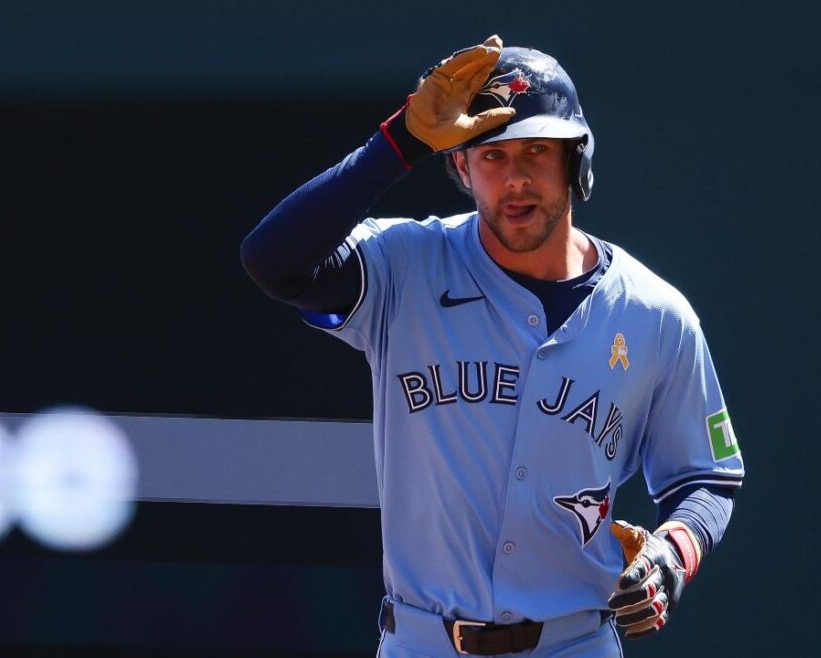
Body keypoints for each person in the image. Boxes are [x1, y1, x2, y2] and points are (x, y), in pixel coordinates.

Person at [241, 36, 745, 657]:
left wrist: (672, 553)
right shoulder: (407, 265)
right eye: (492, 155)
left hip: (574, 643)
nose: (515, 179)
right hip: (423, 642)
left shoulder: (653, 315)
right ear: (460, 168)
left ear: (576, 159)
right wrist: (397, 143)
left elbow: (706, 478)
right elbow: (272, 262)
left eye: (537, 150)